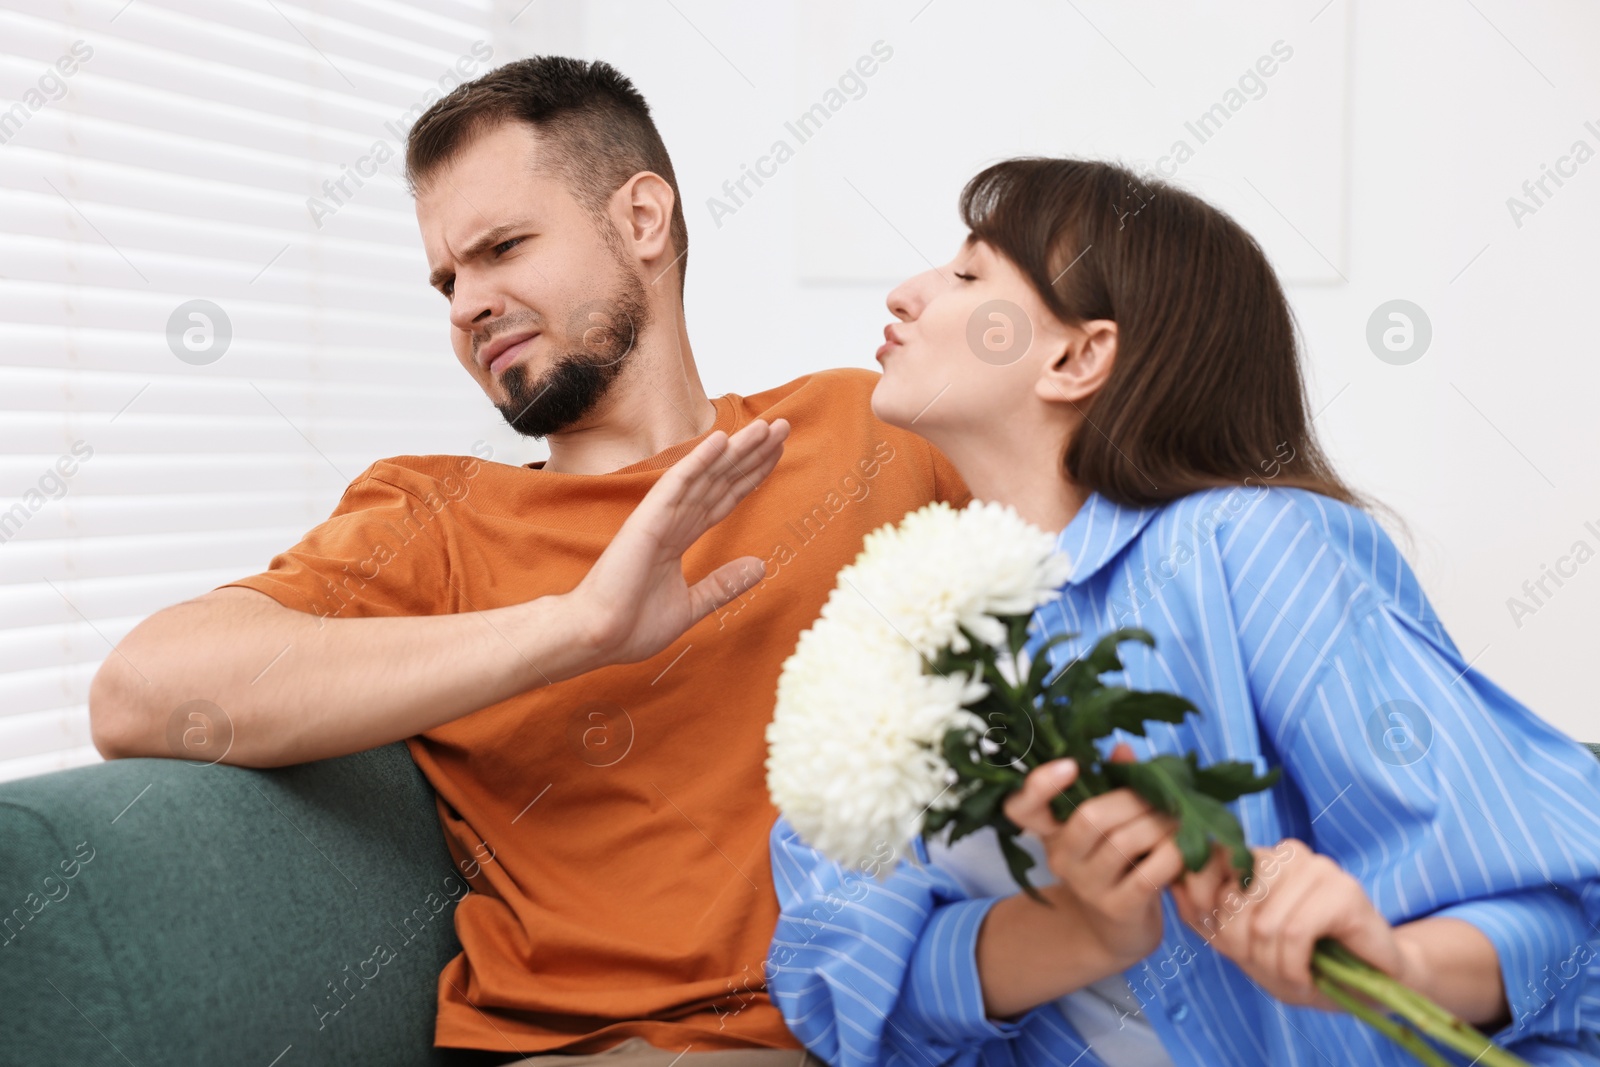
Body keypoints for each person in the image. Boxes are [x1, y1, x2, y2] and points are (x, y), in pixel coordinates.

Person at [86, 57, 969, 1065]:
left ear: (643, 221)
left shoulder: (864, 429)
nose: (466, 304)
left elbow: (1121, 580)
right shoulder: (438, 514)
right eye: (447, 279)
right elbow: (139, 690)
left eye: (502, 247)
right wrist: (579, 625)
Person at [766, 156, 1600, 1066]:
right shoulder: (897, 631)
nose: (906, 294)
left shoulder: (1249, 549)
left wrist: (1393, 959)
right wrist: (1082, 930)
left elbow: (1558, 914)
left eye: (968, 274)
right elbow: (837, 979)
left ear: (1077, 356)